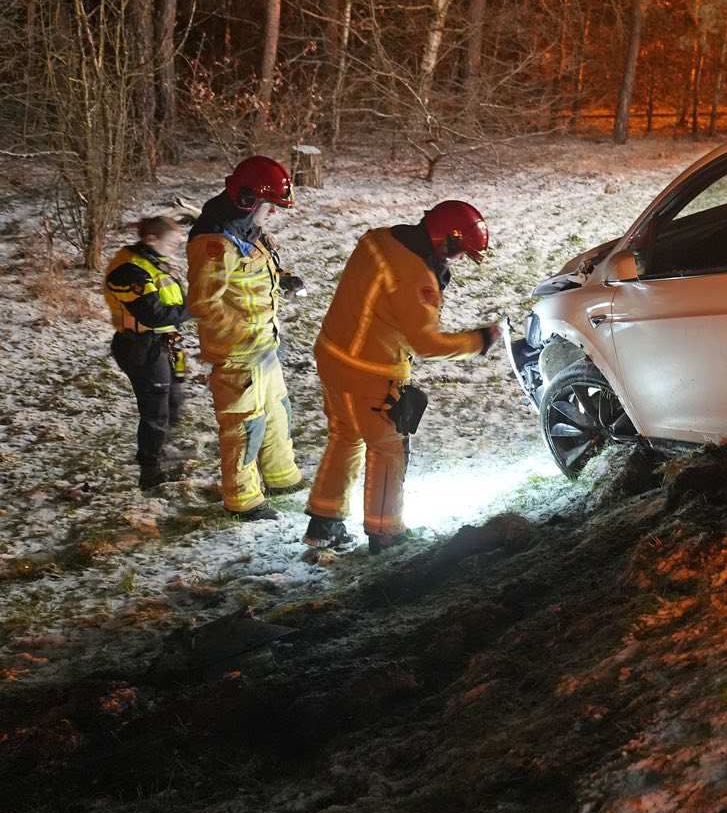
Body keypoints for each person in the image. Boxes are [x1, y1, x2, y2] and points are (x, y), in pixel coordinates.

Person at [303, 201, 502, 554]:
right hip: (370, 372)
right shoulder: (416, 277)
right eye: (459, 253)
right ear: (447, 240)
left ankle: (323, 522)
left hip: (332, 356)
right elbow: (427, 342)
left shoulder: (378, 240)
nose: (456, 261)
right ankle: (385, 533)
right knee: (388, 450)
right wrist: (480, 340)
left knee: (345, 437)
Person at [186, 155, 305, 521]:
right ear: (247, 198)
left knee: (276, 414)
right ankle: (243, 499)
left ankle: (282, 477)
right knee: (244, 426)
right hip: (240, 354)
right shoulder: (214, 242)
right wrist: (243, 336)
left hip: (264, 347)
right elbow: (204, 303)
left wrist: (282, 277)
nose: (273, 214)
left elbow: (256, 266)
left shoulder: (247, 230)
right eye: (270, 206)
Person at [104, 215, 192, 493]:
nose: (176, 248)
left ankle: (161, 450)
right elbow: (153, 315)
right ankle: (150, 471)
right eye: (173, 242)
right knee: (155, 409)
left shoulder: (154, 260)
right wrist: (196, 309)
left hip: (161, 342)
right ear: (151, 238)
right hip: (140, 346)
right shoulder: (129, 271)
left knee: (174, 400)